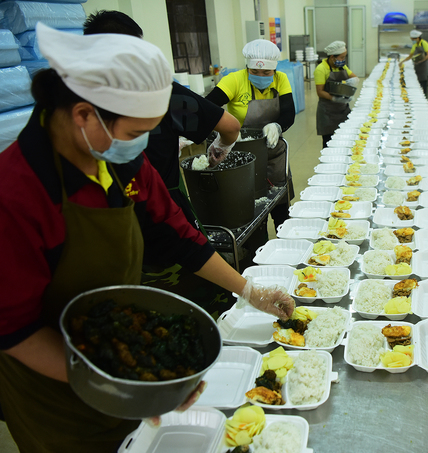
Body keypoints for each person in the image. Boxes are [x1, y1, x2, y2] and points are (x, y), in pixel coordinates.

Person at [0, 25, 295, 453]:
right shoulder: (16, 195)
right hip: (55, 386)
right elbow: (13, 329)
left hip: (118, 338)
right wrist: (133, 383)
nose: (138, 146)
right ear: (83, 115)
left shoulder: (119, 161)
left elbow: (178, 236)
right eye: (132, 133)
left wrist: (248, 291)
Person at [83, 10, 243, 314]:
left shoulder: (81, 104)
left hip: (114, 235)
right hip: (159, 226)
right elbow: (230, 126)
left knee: (136, 307)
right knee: (200, 300)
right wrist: (221, 145)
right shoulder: (162, 94)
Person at [205, 39, 295, 230]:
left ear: (274, 70)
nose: (261, 76)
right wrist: (224, 131)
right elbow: (207, 108)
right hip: (242, 156)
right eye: (255, 71)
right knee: (250, 212)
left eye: (266, 73)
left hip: (273, 154)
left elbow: (289, 113)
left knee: (281, 210)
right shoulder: (234, 80)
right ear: (247, 68)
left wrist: (277, 126)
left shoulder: (281, 79)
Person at [315, 40, 359, 148]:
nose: (343, 60)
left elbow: (353, 77)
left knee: (345, 139)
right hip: (327, 112)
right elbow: (320, 92)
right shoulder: (321, 69)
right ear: (332, 57)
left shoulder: (342, 67)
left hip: (342, 109)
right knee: (328, 142)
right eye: (341, 57)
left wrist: (353, 81)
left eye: (344, 57)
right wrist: (334, 98)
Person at [399, 29, 428, 95]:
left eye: (413, 39)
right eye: (412, 39)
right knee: (418, 82)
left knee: (424, 82)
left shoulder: (424, 43)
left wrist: (422, 60)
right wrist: (402, 62)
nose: (413, 41)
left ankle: (425, 96)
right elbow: (410, 56)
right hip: (417, 65)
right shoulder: (415, 45)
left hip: (424, 66)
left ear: (418, 38)